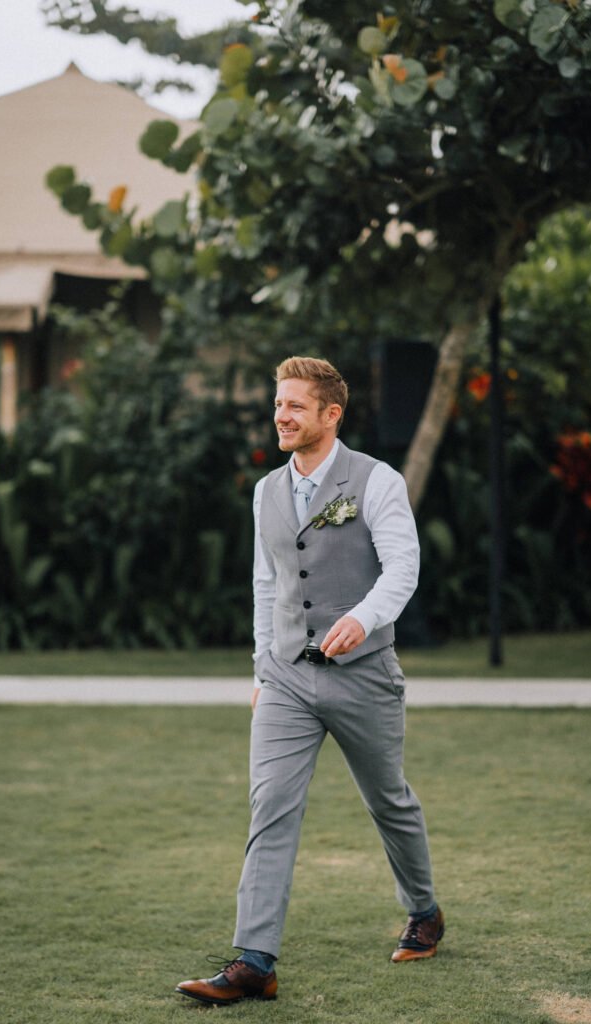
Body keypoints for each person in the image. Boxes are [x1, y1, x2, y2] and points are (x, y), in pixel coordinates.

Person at [176, 356, 443, 1006]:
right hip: (286, 678)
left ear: (331, 414)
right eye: (278, 404)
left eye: (295, 405)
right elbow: (266, 583)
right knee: (270, 807)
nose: (281, 415)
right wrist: (262, 667)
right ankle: (254, 961)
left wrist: (362, 618)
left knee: (389, 801)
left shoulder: (376, 481)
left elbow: (403, 568)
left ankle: (425, 911)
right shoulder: (266, 491)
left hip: (365, 676)